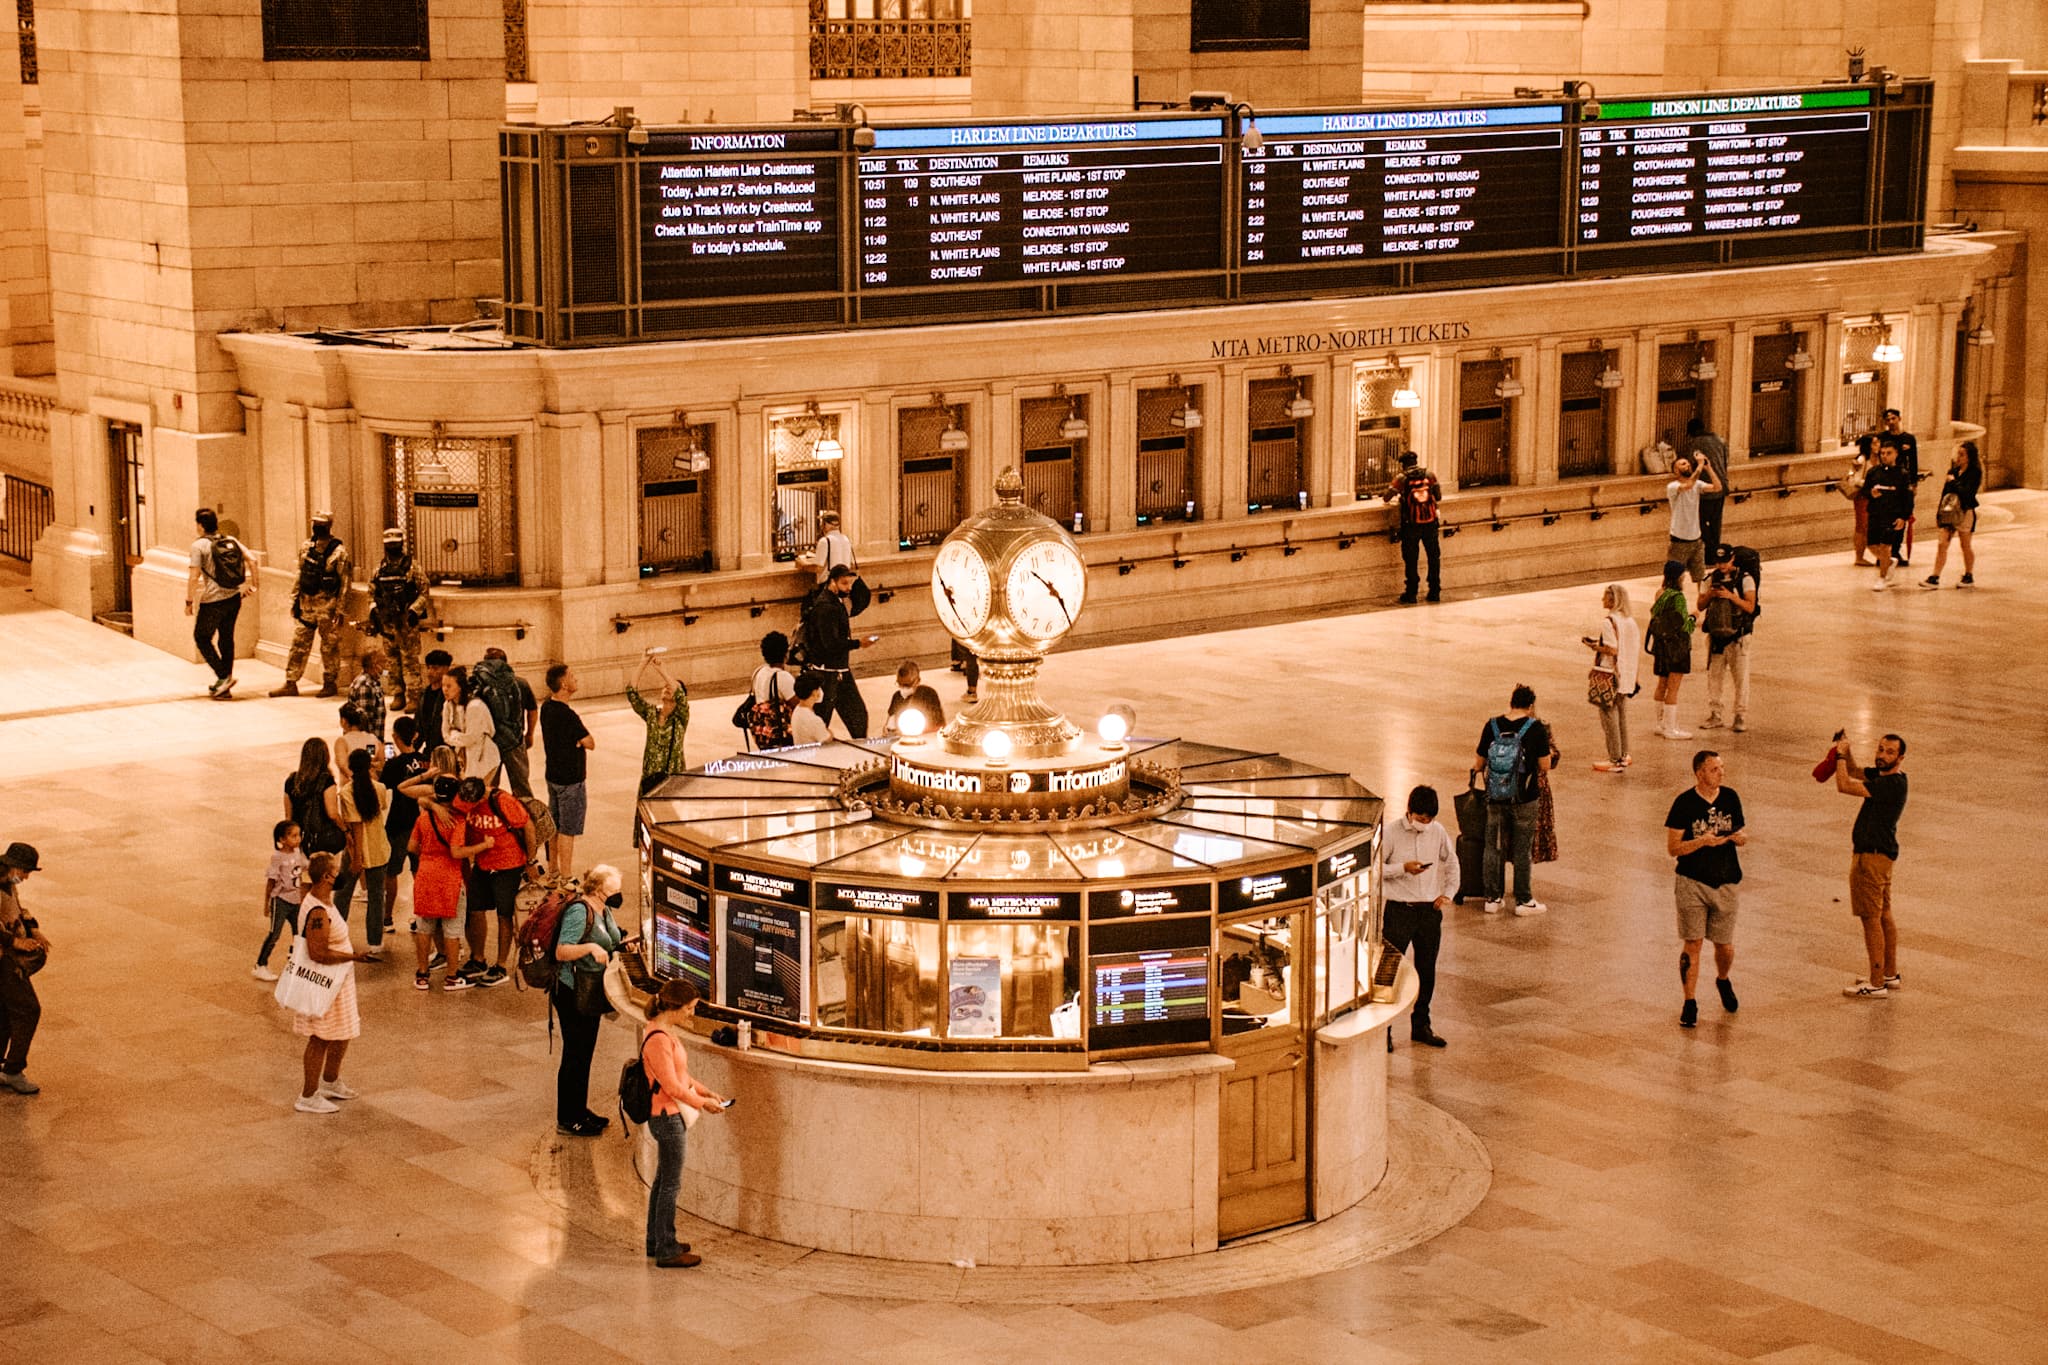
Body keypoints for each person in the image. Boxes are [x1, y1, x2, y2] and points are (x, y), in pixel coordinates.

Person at [642, 978, 726, 1268]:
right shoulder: (659, 1040)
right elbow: (673, 1087)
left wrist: (706, 1091)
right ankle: (667, 1248)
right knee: (670, 1185)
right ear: (675, 1007)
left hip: (668, 1113)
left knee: (662, 1180)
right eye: (689, 1008)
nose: (692, 1013)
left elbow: (683, 1077)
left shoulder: (664, 1032)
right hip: (666, 1117)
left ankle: (655, 1240)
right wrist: (703, 1104)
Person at [1665, 750, 1747, 1029]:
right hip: (1692, 881)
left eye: (1721, 768)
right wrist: (1701, 842)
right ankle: (1689, 1001)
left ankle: (1723, 979)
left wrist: (1738, 838)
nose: (1720, 773)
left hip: (1726, 880)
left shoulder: (1730, 798)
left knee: (1724, 944)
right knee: (1693, 942)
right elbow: (1673, 848)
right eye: (1714, 769)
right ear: (1699, 773)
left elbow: (1741, 832)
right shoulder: (1684, 803)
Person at [553, 864, 628, 1137]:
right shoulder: (579, 911)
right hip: (572, 991)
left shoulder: (604, 909)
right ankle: (568, 1118)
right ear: (598, 889)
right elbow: (562, 950)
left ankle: (579, 1110)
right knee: (574, 1053)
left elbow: (610, 939)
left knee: (585, 1052)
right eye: (614, 889)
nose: (618, 894)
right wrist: (590, 947)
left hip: (590, 990)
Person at [1832, 732, 1909, 1000]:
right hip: (1882, 856)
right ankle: (1889, 973)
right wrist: (1847, 750)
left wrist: (1839, 755)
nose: (1882, 755)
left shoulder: (1889, 786)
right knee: (1884, 913)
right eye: (1880, 749)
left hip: (1871, 858)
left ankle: (1876, 983)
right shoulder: (1887, 778)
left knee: (1871, 918)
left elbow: (1843, 784)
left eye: (1889, 752)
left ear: (1900, 758)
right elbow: (1853, 771)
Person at [291, 852, 367, 1114]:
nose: (341, 871)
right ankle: (308, 1095)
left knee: (341, 1032)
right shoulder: (317, 912)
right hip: (324, 983)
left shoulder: (325, 901)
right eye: (337, 869)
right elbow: (318, 953)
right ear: (326, 876)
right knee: (320, 1037)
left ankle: (331, 1081)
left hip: (339, 983)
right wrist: (354, 956)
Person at [1379, 786, 1456, 1047]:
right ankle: (1384, 1030)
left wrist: (1448, 894)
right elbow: (1376, 867)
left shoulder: (1438, 831)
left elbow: (1452, 861)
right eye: (1421, 818)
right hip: (1400, 910)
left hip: (1428, 912)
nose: (1425, 824)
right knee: (1388, 970)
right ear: (1409, 812)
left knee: (1426, 969)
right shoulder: (1390, 833)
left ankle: (1421, 1024)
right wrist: (1403, 869)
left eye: (1429, 819)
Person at [1470, 684, 1551, 917]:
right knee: (1522, 849)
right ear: (1531, 705)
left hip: (1495, 796)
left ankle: (1492, 898)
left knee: (1492, 846)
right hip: (1525, 798)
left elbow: (1478, 764)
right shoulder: (1536, 729)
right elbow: (1544, 765)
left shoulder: (1492, 725)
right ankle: (1523, 900)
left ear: (1511, 702)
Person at [453, 775, 532, 988]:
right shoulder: (464, 796)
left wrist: (531, 860)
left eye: (474, 803)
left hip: (508, 864)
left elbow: (528, 826)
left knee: (504, 915)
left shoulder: (503, 801)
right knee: (474, 909)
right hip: (482, 863)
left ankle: (501, 965)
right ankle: (478, 959)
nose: (469, 807)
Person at [270, 511, 351, 698]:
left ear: (329, 526)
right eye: (315, 523)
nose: (317, 526)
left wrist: (340, 610)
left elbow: (344, 583)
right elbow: (300, 574)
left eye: (320, 524)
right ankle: (291, 682)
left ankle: (330, 682)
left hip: (327, 607)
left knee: (329, 647)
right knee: (298, 643)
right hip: (306, 605)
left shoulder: (339, 552)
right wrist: (295, 599)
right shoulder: (307, 547)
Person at [408, 774, 471, 991]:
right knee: (452, 931)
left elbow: (412, 847)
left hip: (425, 875)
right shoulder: (458, 820)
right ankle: (452, 977)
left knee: (424, 927)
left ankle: (422, 974)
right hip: (450, 878)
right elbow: (457, 852)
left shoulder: (423, 818)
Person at [185, 507, 253, 699]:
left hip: (213, 600)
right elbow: (253, 560)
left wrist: (189, 601)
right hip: (233, 598)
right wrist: (253, 586)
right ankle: (225, 686)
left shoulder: (198, 546)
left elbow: (193, 577)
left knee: (201, 637)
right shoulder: (230, 540)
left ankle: (223, 676)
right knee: (226, 638)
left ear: (200, 526)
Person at [805, 564, 879, 739]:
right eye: (844, 584)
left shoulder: (833, 602)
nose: (848, 588)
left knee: (857, 715)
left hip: (838, 671)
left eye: (849, 584)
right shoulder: (826, 607)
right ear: (832, 582)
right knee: (824, 718)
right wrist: (858, 643)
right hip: (828, 674)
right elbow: (830, 643)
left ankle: (859, 745)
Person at [0, 842, 48, 1095]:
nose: (26, 877)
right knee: (28, 1009)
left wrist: (33, 928)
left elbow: (18, 910)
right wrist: (15, 941)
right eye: (25, 871)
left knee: (5, 1011)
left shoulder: (7, 882)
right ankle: (13, 1070)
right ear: (13, 866)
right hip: (4, 959)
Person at [334, 747, 389, 958]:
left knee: (343, 895)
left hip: (355, 851)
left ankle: (337, 936)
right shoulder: (380, 788)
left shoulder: (346, 793)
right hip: (379, 848)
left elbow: (355, 826)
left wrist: (356, 858)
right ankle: (375, 941)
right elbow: (380, 810)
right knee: (376, 896)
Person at [366, 528, 430, 711]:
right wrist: (373, 611)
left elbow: (424, 592)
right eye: (389, 545)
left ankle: (414, 696)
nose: (392, 549)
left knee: (410, 660)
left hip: (406, 622)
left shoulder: (412, 567)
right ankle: (397, 694)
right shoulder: (380, 569)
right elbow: (371, 593)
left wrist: (413, 611)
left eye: (395, 545)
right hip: (387, 623)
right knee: (392, 661)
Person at [1696, 544, 1756, 733]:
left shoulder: (1745, 579)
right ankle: (1715, 714)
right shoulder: (1709, 579)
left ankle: (1740, 715)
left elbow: (1750, 607)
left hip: (1739, 637)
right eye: (1718, 562)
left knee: (1740, 678)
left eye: (1725, 562)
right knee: (1714, 677)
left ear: (1732, 559)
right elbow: (1700, 604)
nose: (1721, 566)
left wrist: (1731, 596)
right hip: (1716, 638)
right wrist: (1710, 595)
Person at [541, 663, 595, 871]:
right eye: (572, 676)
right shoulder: (568, 715)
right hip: (571, 780)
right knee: (568, 829)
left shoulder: (546, 707)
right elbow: (590, 742)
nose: (576, 678)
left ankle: (552, 869)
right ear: (564, 684)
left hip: (552, 776)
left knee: (554, 825)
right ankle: (566, 875)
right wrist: (580, 741)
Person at [1584, 583, 1640, 773]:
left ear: (1612, 599)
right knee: (1622, 715)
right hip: (1627, 675)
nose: (1602, 600)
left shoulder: (1609, 622)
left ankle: (1614, 758)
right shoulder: (1630, 621)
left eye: (1605, 597)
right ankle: (1624, 754)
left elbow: (1612, 649)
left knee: (1608, 715)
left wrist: (1595, 647)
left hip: (1610, 674)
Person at [379, 716, 426, 935]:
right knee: (418, 872)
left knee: (392, 872)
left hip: (398, 823)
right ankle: (420, 916)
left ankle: (387, 917)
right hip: (421, 823)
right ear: (416, 735)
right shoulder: (425, 761)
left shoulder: (393, 765)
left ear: (396, 737)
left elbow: (383, 787)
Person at [473, 647, 538, 798]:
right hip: (514, 741)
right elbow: (532, 710)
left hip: (490, 742)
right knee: (521, 785)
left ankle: (490, 817)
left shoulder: (480, 685)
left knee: (488, 786)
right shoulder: (520, 683)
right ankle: (525, 817)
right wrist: (529, 734)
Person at [1383, 450, 1443, 604]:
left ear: (1403, 464)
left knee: (1411, 559)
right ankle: (1434, 591)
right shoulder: (1429, 475)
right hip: (1430, 523)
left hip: (1411, 525)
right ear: (1416, 461)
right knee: (1433, 557)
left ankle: (1411, 593)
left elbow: (1387, 496)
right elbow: (1439, 496)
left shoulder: (1402, 478)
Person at [628, 650, 691, 795]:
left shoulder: (680, 717)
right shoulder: (651, 714)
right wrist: (643, 663)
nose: (667, 687)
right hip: (650, 778)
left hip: (674, 780)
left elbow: (680, 695)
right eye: (665, 686)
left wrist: (662, 670)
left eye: (671, 687)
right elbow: (632, 693)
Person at [283, 737, 349, 873]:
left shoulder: (291, 781)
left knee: (305, 880)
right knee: (323, 879)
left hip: (300, 839)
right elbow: (332, 813)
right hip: (323, 839)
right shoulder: (326, 781)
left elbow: (288, 816)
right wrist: (345, 830)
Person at [1646, 560, 1696, 740]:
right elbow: (1685, 626)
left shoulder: (1659, 593)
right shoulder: (1678, 598)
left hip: (1661, 645)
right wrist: (1694, 617)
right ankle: (1671, 728)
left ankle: (1660, 723)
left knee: (1662, 684)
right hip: (1676, 647)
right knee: (1673, 688)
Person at [254, 820, 308, 982]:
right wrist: (267, 903)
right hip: (281, 900)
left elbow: (307, 866)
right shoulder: (277, 857)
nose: (297, 839)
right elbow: (271, 881)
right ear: (282, 839)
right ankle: (260, 964)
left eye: (299, 835)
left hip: (296, 899)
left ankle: (297, 961)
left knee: (298, 932)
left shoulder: (299, 853)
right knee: (274, 933)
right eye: (293, 836)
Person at [1923, 440, 1981, 589]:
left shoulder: (1974, 473)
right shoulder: (1953, 471)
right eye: (1958, 454)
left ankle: (1969, 574)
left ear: (1969, 457)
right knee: (1942, 544)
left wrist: (1954, 482)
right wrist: (1939, 513)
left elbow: (1968, 493)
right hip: (1949, 511)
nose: (1959, 457)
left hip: (1964, 511)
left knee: (1965, 544)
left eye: (1962, 455)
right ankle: (1935, 576)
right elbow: (1945, 493)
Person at [1863, 438, 1912, 591]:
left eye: (1888, 453)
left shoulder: (1902, 474)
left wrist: (1904, 517)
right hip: (1875, 513)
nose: (1884, 456)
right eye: (1882, 453)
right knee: (1872, 545)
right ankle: (1888, 562)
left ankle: (1882, 577)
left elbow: (1907, 498)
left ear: (1896, 454)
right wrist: (1871, 493)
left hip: (1892, 514)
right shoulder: (1873, 472)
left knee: (1885, 546)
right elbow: (1865, 491)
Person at [1665, 452, 1720, 589]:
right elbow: (1687, 486)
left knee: (1701, 578)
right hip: (1679, 542)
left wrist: (1709, 468)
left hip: (1696, 540)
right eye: (1683, 464)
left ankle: (1702, 605)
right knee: (1673, 579)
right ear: (1676, 471)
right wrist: (1700, 466)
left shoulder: (1697, 484)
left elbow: (1717, 487)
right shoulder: (1673, 486)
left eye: (1688, 463)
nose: (1688, 465)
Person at [441, 665, 500, 786]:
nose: (445, 689)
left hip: (484, 758)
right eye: (443, 685)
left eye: (449, 686)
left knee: (480, 797)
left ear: (460, 687)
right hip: (464, 758)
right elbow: (445, 735)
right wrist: (456, 736)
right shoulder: (447, 705)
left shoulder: (475, 706)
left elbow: (470, 738)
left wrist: (454, 733)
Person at [1683, 418, 1731, 561]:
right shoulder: (1720, 440)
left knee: (1702, 522)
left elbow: (1689, 465)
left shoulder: (1696, 443)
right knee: (1715, 522)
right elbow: (1725, 461)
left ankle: (1709, 554)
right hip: (1721, 487)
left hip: (1706, 489)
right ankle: (1716, 552)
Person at [1881, 409, 1921, 565]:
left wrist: (1914, 482)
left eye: (1893, 418)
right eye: (1888, 419)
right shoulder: (1883, 438)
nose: (1891, 422)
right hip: (1887, 481)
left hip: (1903, 481)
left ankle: (1896, 550)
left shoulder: (1909, 438)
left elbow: (1914, 461)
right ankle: (1885, 550)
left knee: (1903, 515)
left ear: (1899, 418)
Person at [746, 633, 799, 751]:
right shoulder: (782, 676)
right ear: (786, 654)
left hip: (763, 732)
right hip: (780, 731)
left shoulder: (758, 671)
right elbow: (798, 705)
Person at [884, 661, 945, 735]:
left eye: (907, 685)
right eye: (900, 684)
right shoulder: (897, 696)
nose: (903, 688)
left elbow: (938, 726)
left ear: (918, 681)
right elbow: (889, 721)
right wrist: (886, 729)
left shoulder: (928, 695)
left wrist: (905, 732)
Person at [345, 646, 389, 742]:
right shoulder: (365, 686)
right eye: (384, 662)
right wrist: (372, 753)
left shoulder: (374, 682)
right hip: (367, 744)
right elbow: (365, 724)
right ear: (375, 664)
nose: (387, 665)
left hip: (374, 741)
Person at [414, 649, 454, 752]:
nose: (430, 672)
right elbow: (419, 726)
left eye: (435, 668)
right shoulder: (424, 694)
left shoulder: (451, 696)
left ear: (446, 669)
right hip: (430, 751)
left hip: (448, 751)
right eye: (428, 668)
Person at [1848, 434, 1876, 567]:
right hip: (1863, 497)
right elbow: (1854, 480)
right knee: (1862, 526)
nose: (1878, 446)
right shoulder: (1861, 460)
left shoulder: (1876, 459)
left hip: (1871, 497)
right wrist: (1871, 483)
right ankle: (1859, 556)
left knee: (1867, 526)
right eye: (1875, 443)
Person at [808, 509, 855, 584]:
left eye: (822, 522)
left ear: (826, 524)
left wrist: (804, 567)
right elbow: (851, 564)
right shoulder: (846, 539)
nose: (821, 525)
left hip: (829, 584)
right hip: (844, 584)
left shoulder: (824, 541)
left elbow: (819, 568)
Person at [789, 674, 832, 746]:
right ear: (814, 692)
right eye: (819, 688)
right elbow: (827, 740)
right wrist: (830, 733)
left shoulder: (797, 710)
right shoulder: (814, 720)